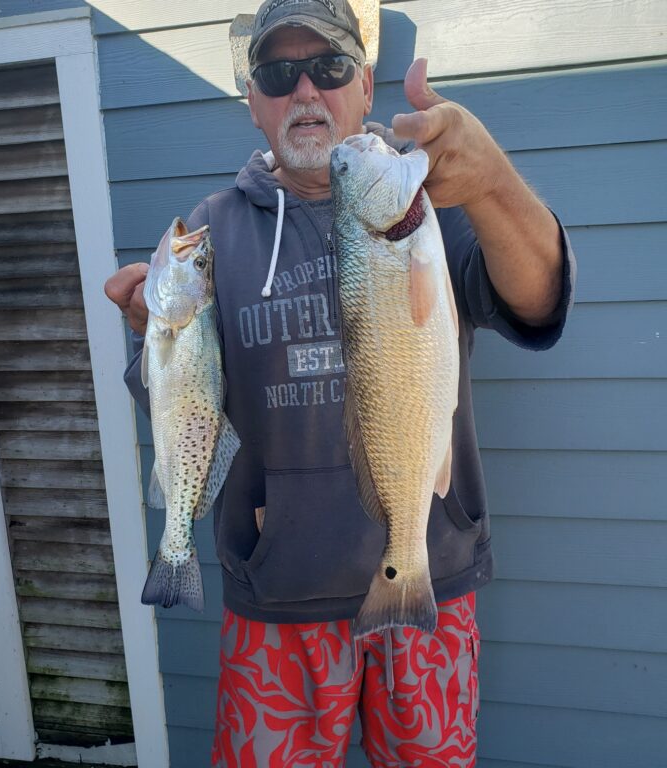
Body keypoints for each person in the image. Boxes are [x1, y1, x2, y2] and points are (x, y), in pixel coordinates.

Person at [104, 1, 576, 765]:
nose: (304, 91)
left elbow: (538, 299)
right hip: (277, 601)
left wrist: (490, 184)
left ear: (362, 88)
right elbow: (187, 408)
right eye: (277, 72)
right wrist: (159, 336)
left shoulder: (431, 211)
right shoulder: (212, 230)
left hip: (430, 578)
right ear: (254, 103)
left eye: (327, 67)